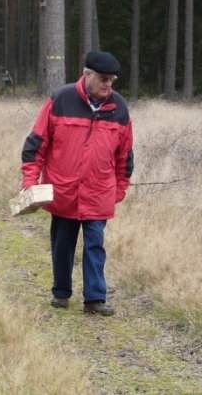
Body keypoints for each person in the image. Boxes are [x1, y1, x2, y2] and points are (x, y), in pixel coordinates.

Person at [20, 50, 133, 316]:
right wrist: (30, 181)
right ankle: (61, 292)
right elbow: (36, 144)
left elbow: (125, 155)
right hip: (63, 191)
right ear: (87, 74)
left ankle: (95, 299)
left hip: (99, 192)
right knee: (62, 245)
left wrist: (119, 189)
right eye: (103, 79)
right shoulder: (61, 99)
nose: (108, 84)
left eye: (112, 80)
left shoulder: (119, 108)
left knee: (95, 246)